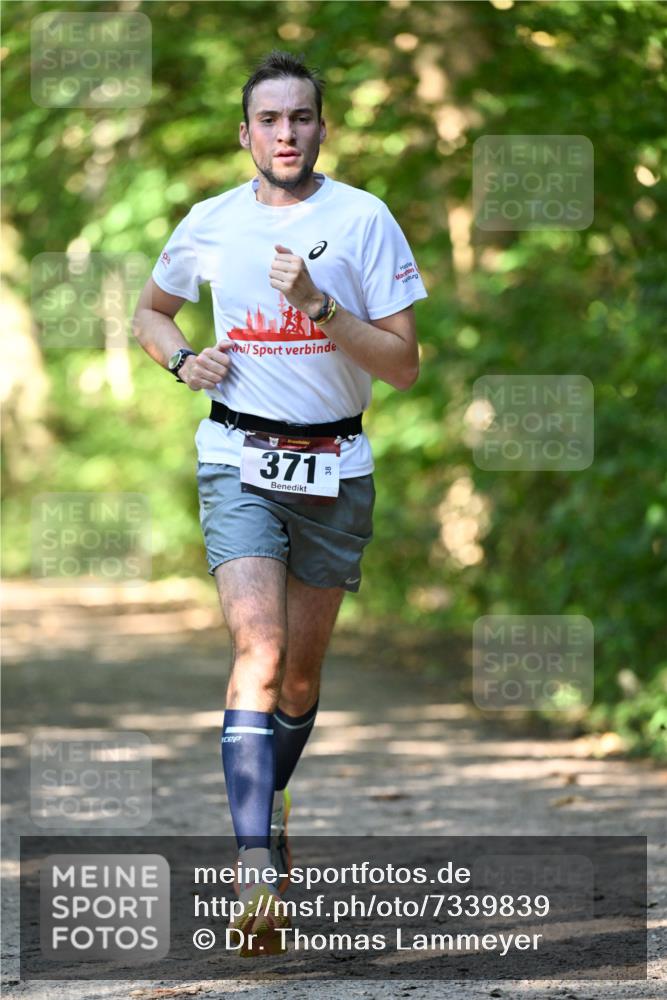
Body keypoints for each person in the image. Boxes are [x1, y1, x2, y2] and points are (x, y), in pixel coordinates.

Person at [133, 50, 428, 954]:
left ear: (321, 127)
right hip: (237, 454)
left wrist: (320, 307)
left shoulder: (364, 220)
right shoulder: (209, 222)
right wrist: (184, 360)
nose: (286, 134)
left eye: (301, 118)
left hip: (335, 465)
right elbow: (149, 312)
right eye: (269, 120)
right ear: (245, 133)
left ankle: (271, 798)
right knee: (256, 648)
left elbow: (404, 365)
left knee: (298, 677)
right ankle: (254, 865)